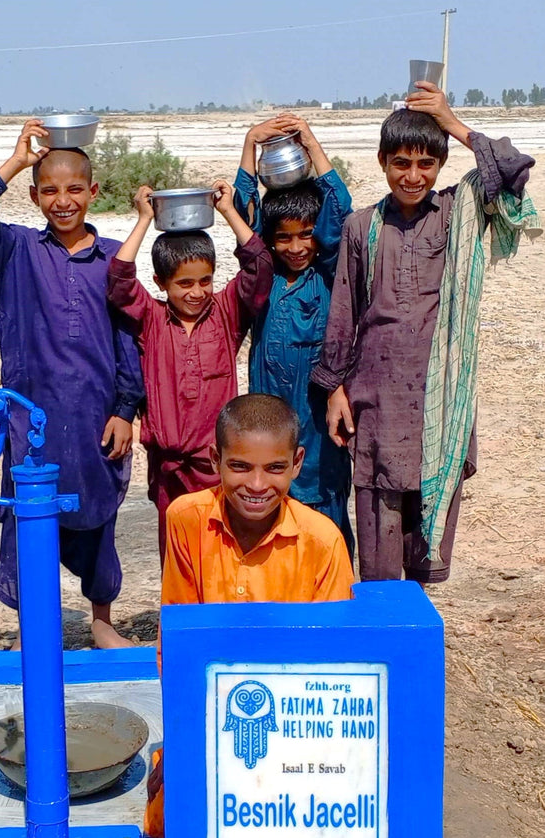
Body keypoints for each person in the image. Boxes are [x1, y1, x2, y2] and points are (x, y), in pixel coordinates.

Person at [311, 83, 539, 583]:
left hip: (440, 399)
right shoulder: (360, 227)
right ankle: (383, 632)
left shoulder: (461, 211)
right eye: (401, 163)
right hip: (376, 398)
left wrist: (451, 121)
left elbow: (513, 167)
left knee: (429, 520)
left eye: (425, 165)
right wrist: (334, 390)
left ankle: (417, 624)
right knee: (377, 512)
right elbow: (345, 314)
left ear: (439, 166)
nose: (413, 176)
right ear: (381, 162)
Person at [0, 120, 144, 649]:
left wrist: (126, 409)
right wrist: (15, 163)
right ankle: (34, 626)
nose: (63, 202)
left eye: (74, 190)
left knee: (97, 511)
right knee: (28, 515)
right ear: (35, 195)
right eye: (51, 191)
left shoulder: (113, 258)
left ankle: (101, 617)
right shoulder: (16, 250)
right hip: (32, 415)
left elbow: (131, 337)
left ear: (93, 192)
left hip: (94, 411)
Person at [145, 394, 354, 838]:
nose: (257, 485)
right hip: (210, 709)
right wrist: (185, 741)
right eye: (240, 466)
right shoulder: (186, 519)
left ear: (297, 463)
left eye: (274, 468)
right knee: (172, 827)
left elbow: (334, 668)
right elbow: (176, 643)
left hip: (296, 721)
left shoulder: (323, 542)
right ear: (215, 459)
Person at [107, 181, 273, 563]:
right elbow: (118, 281)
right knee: (177, 552)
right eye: (183, 284)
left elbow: (260, 267)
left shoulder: (227, 314)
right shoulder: (151, 319)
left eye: (205, 281)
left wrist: (229, 211)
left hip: (214, 465)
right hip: (168, 466)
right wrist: (145, 218)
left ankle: (220, 621)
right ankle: (176, 620)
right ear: (161, 284)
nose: (196, 292)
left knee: (222, 550)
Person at [234, 115, 354, 553]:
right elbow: (243, 214)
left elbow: (340, 213)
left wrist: (311, 143)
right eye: (284, 238)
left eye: (306, 235)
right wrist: (250, 145)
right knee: (270, 512)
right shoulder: (263, 277)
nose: (297, 246)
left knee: (325, 516)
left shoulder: (328, 273)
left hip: (322, 421)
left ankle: (334, 605)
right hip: (270, 416)